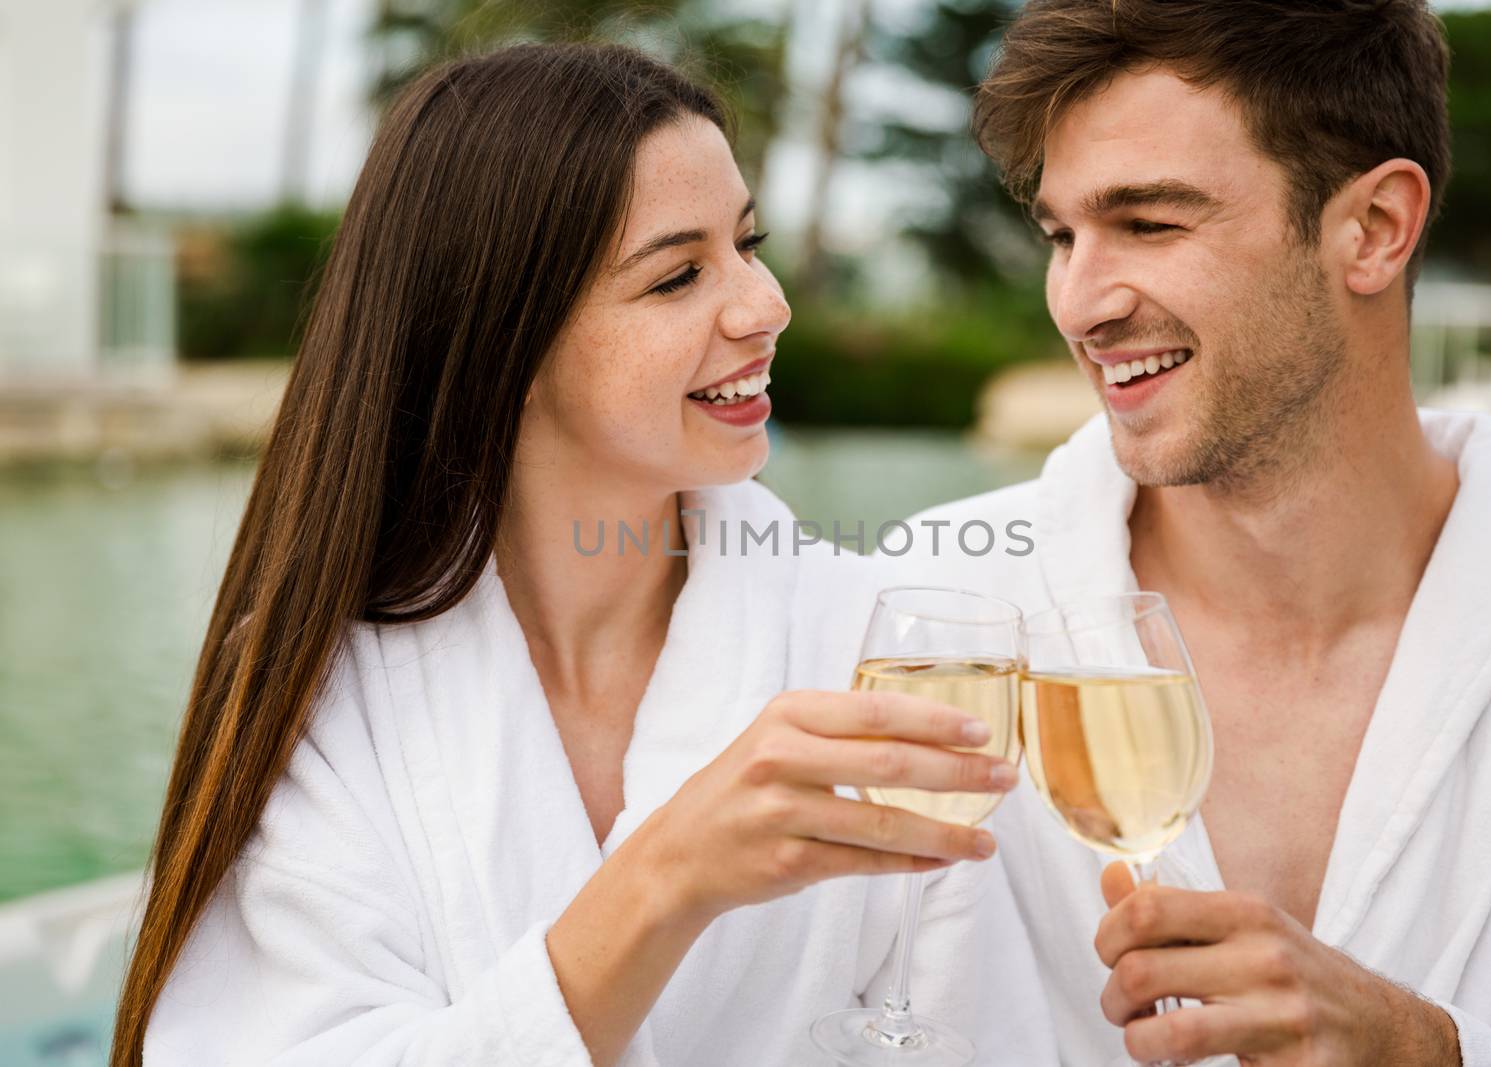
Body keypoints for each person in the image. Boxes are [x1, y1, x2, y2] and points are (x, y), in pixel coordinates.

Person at [112, 43, 1055, 1067]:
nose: (765, 304)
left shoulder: (875, 640)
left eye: (749, 243)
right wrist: (664, 878)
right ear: (499, 334)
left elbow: (974, 1030)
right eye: (679, 275)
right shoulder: (324, 687)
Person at [866, 1, 1491, 1063]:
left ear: (1374, 228)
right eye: (1063, 235)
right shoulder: (929, 606)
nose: (1078, 302)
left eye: (1150, 224)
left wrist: (1422, 1049)